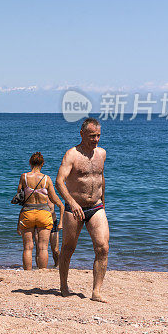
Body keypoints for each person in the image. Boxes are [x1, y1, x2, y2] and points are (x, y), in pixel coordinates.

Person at [56, 117, 109, 302]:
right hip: (74, 208)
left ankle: (96, 291)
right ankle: (63, 285)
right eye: (92, 135)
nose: (95, 139)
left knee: (102, 248)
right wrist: (71, 202)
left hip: (96, 207)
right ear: (82, 134)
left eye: (98, 136)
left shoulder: (101, 153)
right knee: (68, 248)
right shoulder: (72, 154)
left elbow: (101, 178)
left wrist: (104, 202)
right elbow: (59, 181)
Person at [16, 152, 64, 270]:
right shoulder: (46, 179)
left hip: (28, 213)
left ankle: (27, 272)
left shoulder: (24, 177)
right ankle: (42, 271)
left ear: (30, 163)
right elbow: (54, 198)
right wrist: (61, 211)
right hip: (44, 214)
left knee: (27, 247)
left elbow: (19, 195)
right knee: (43, 247)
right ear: (42, 164)